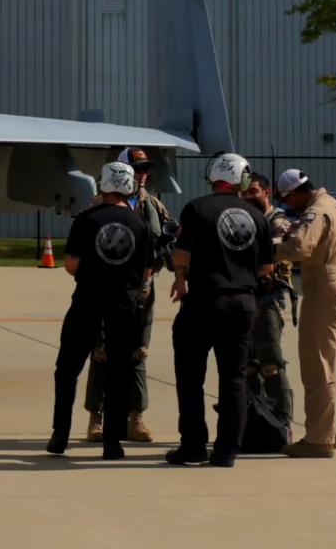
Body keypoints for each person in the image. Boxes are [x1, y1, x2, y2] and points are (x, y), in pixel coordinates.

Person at [165, 152, 274, 467]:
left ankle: (193, 446)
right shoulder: (256, 216)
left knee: (190, 378)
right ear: (243, 180)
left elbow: (182, 256)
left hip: (204, 298)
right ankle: (227, 451)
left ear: (212, 176)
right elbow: (267, 267)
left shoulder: (197, 208)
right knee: (234, 378)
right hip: (242, 303)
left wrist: (182, 276)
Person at [48, 162, 153, 460]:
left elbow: (72, 265)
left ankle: (60, 433)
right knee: (119, 371)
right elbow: (146, 272)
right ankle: (112, 442)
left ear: (102, 184)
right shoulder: (141, 224)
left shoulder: (86, 219)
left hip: (88, 300)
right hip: (124, 305)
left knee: (68, 368)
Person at [84, 147, 169, 443]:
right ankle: (96, 417)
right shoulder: (97, 205)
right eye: (138, 169)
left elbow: (164, 246)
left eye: (146, 169)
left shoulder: (153, 206)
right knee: (101, 351)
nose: (143, 174)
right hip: (105, 289)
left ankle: (136, 417)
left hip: (141, 291)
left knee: (138, 352)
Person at [275, 168, 336, 458]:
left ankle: (319, 439)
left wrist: (270, 248)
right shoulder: (331, 203)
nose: (287, 204)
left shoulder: (315, 212)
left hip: (324, 290)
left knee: (316, 366)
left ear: (296, 192)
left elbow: (299, 248)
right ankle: (328, 431)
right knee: (325, 363)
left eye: (287, 199)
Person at [241, 172, 296, 426]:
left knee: (271, 365)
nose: (248, 197)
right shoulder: (244, 220)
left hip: (267, 303)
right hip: (245, 301)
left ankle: (283, 421)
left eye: (253, 191)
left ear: (267, 193)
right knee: (248, 367)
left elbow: (269, 258)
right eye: (244, 192)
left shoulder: (278, 222)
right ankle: (253, 419)